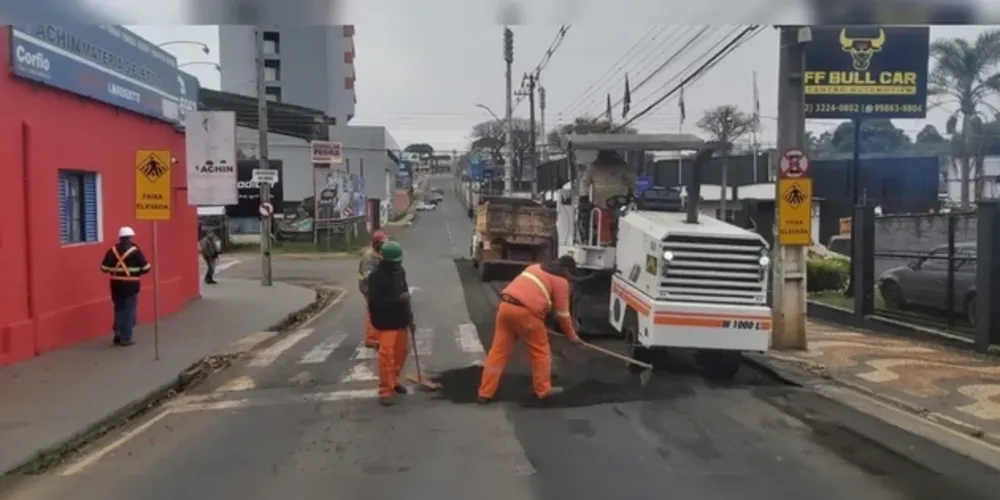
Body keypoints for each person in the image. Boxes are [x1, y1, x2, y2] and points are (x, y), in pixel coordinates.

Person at [478, 255, 583, 404]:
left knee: (497, 353)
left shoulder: (534, 268)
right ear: (566, 270)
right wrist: (572, 337)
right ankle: (543, 389)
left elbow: (531, 292)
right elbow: (563, 314)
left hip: (505, 308)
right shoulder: (561, 281)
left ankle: (485, 392)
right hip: (526, 314)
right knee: (540, 351)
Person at [366, 240, 414, 406]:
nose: (399, 263)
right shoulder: (375, 277)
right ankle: (385, 391)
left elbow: (405, 294)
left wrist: (410, 318)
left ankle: (394, 381)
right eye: (396, 261)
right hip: (385, 323)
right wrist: (397, 300)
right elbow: (375, 303)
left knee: (401, 354)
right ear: (385, 260)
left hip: (401, 320)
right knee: (386, 357)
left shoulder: (400, 272)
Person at [99, 226, 152, 346]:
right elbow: (146, 268)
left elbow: (103, 268)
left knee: (118, 309)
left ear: (120, 237)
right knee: (129, 311)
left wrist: (116, 270)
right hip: (131, 285)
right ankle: (126, 338)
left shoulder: (112, 250)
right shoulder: (136, 251)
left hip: (116, 285)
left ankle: (117, 332)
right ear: (131, 237)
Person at [579, 150, 634, 245]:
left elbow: (631, 181)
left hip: (619, 203)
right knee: (598, 220)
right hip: (599, 203)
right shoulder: (594, 167)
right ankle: (598, 241)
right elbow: (584, 182)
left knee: (620, 222)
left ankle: (619, 241)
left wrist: (631, 194)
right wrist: (584, 197)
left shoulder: (621, 166)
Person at [358, 231, 389, 349]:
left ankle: (376, 335)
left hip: (375, 286)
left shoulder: (378, 253)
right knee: (372, 311)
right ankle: (371, 339)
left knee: (378, 311)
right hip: (368, 287)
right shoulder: (368, 256)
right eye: (382, 243)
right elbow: (368, 275)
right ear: (376, 243)